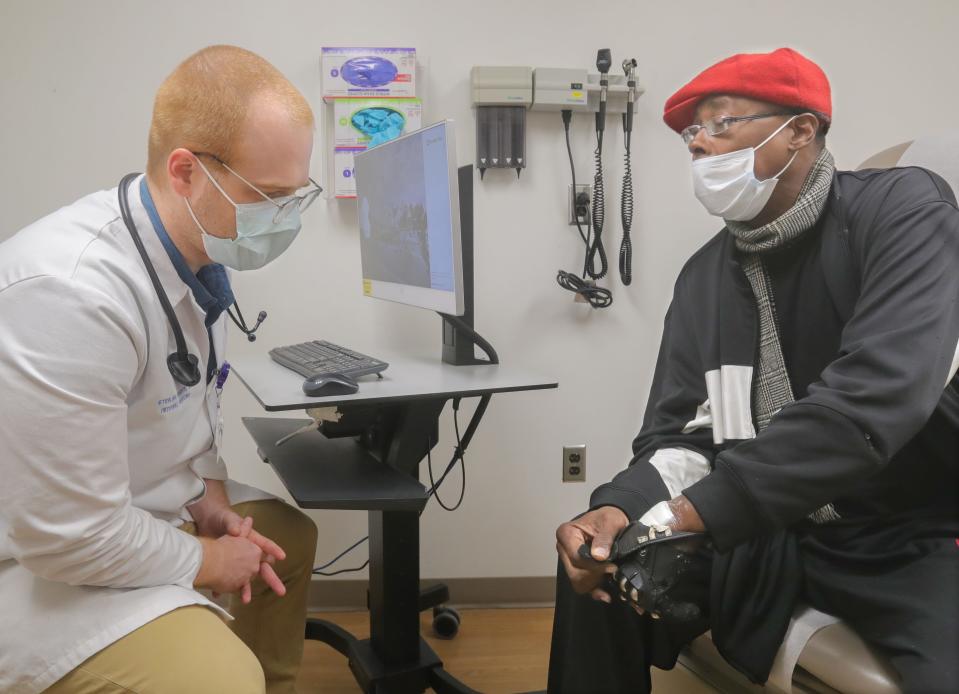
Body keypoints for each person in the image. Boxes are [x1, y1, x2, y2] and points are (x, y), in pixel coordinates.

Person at [550, 47, 959, 694]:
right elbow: (683, 437)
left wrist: (693, 513)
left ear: (800, 129)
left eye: (719, 124)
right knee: (596, 562)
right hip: (767, 529)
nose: (699, 147)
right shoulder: (704, 280)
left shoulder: (902, 212)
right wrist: (622, 510)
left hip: (903, 532)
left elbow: (870, 403)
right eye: (691, 136)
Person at [0, 45, 323, 694]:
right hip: (37, 565)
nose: (282, 219)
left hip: (135, 510)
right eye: (269, 198)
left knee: (289, 535)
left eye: (296, 197)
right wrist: (208, 559)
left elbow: (182, 410)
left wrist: (209, 498)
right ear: (185, 172)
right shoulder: (69, 293)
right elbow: (68, 540)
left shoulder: (195, 260)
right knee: (222, 680)